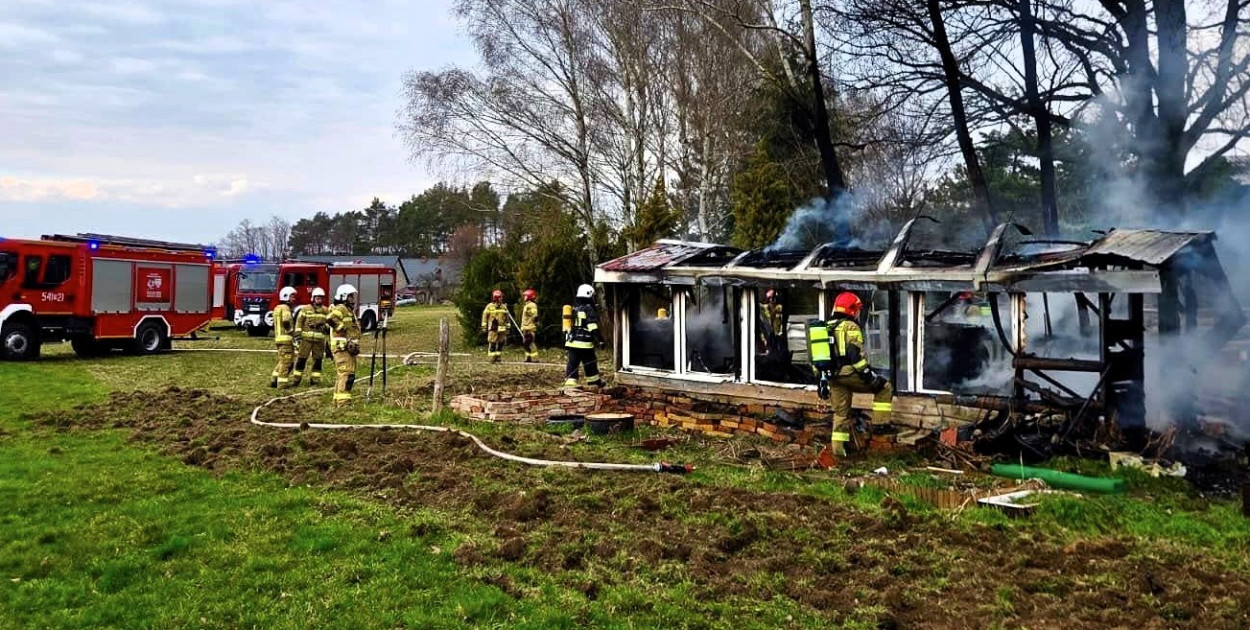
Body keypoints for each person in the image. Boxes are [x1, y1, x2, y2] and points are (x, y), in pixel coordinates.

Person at [818, 292, 893, 459]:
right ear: (851, 310)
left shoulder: (826, 326)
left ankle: (839, 453)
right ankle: (881, 425)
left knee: (840, 414)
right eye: (857, 309)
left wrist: (822, 380)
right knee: (884, 387)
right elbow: (854, 354)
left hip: (832, 377)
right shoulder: (850, 326)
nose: (858, 313)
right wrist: (869, 376)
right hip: (849, 373)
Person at [327, 284, 362, 407]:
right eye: (351, 296)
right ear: (344, 296)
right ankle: (343, 403)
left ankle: (337, 400)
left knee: (343, 374)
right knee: (347, 374)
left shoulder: (348, 310)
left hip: (347, 348)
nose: (353, 299)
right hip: (342, 348)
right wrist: (342, 329)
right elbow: (330, 319)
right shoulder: (341, 308)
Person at [563, 284, 603, 388]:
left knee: (572, 363)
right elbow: (592, 326)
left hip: (571, 342)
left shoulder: (574, 308)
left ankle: (570, 384)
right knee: (590, 362)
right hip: (584, 343)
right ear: (589, 295)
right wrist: (600, 339)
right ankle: (594, 382)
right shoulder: (588, 308)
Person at [291, 287, 330, 386]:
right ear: (313, 298)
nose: (319, 300)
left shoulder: (326, 311)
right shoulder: (305, 309)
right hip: (305, 340)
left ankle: (315, 381)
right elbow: (299, 322)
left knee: (318, 360)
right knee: (301, 359)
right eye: (317, 298)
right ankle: (296, 379)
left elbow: (331, 324)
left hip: (319, 341)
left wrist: (324, 326)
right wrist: (297, 336)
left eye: (321, 298)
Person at [269, 286, 298, 388]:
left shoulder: (277, 308)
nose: (294, 299)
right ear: (286, 297)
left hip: (278, 339)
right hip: (286, 339)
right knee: (287, 362)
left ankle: (274, 379)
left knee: (282, 360)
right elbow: (286, 320)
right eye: (292, 297)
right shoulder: (286, 308)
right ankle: (282, 384)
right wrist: (290, 331)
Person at [481, 289, 509, 363]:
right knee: (492, 342)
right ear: (496, 298)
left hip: (502, 329)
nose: (501, 299)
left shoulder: (503, 307)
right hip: (493, 328)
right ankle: (492, 358)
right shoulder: (489, 307)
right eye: (500, 297)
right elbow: (484, 316)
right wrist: (484, 326)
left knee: (501, 343)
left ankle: (498, 357)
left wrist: (508, 326)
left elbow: (507, 318)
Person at [760, 288, 785, 355]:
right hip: (768, 331)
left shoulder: (778, 307)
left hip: (776, 331)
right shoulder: (765, 307)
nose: (771, 300)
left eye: (773, 298)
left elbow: (779, 320)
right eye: (770, 298)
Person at [520, 288, 540, 363]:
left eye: (525, 296)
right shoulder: (527, 305)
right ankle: (528, 357)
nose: (524, 298)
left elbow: (535, 315)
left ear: (529, 296)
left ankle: (535, 358)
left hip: (529, 327)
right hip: (526, 327)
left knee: (530, 342)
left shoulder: (531, 305)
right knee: (526, 343)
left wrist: (534, 323)